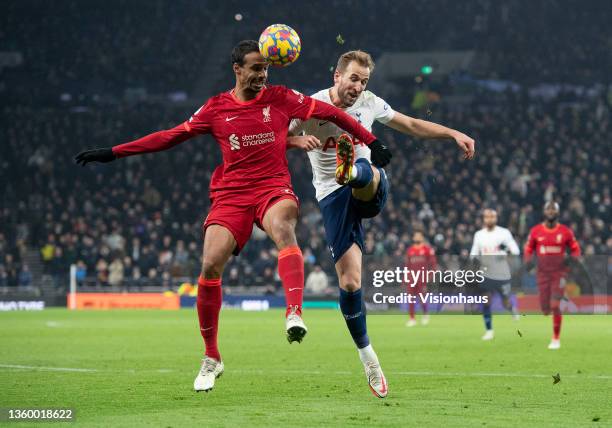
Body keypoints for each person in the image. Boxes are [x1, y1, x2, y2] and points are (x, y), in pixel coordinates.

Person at [74, 41, 390, 393]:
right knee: (210, 265)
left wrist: (371, 141)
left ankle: (294, 312)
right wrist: (114, 153)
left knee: (285, 226)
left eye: (266, 70)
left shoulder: (282, 97)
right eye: (255, 69)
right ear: (237, 69)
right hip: (231, 194)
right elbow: (170, 136)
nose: (262, 76)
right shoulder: (215, 108)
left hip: (272, 187)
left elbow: (333, 114)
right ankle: (212, 357)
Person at [288, 50, 474, 398]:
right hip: (331, 198)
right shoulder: (309, 106)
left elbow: (413, 126)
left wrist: (452, 133)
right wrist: (295, 140)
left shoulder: (371, 103)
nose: (358, 86)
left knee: (367, 173)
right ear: (337, 76)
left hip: (370, 185)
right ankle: (369, 358)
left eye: (364, 81)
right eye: (354, 78)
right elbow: (272, 138)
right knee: (350, 281)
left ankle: (354, 170)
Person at [524, 202, 581, 350]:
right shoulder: (536, 231)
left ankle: (555, 338)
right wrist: (528, 261)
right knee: (545, 309)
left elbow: (575, 249)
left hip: (559, 273)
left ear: (557, 212)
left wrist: (573, 259)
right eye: (548, 209)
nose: (550, 212)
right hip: (542, 273)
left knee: (555, 305)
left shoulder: (565, 231)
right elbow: (528, 248)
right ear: (544, 212)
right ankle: (553, 308)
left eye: (553, 209)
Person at [469, 208, 520, 341]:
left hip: (502, 273)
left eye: (492, 217)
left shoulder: (504, 233)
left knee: (505, 302)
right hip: (486, 273)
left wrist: (506, 250)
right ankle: (489, 330)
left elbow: (515, 250)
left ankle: (511, 309)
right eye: (487, 217)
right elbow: (473, 253)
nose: (489, 219)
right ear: (484, 219)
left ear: (496, 218)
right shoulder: (479, 235)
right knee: (486, 301)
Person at [405, 231, 437, 327]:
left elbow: (433, 264)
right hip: (412, 278)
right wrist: (405, 278)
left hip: (422, 278)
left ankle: (425, 315)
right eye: (415, 236)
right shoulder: (410, 250)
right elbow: (407, 265)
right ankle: (412, 318)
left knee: (422, 298)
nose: (417, 237)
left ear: (422, 237)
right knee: (410, 298)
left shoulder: (427, 249)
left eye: (419, 236)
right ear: (413, 238)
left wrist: (430, 276)